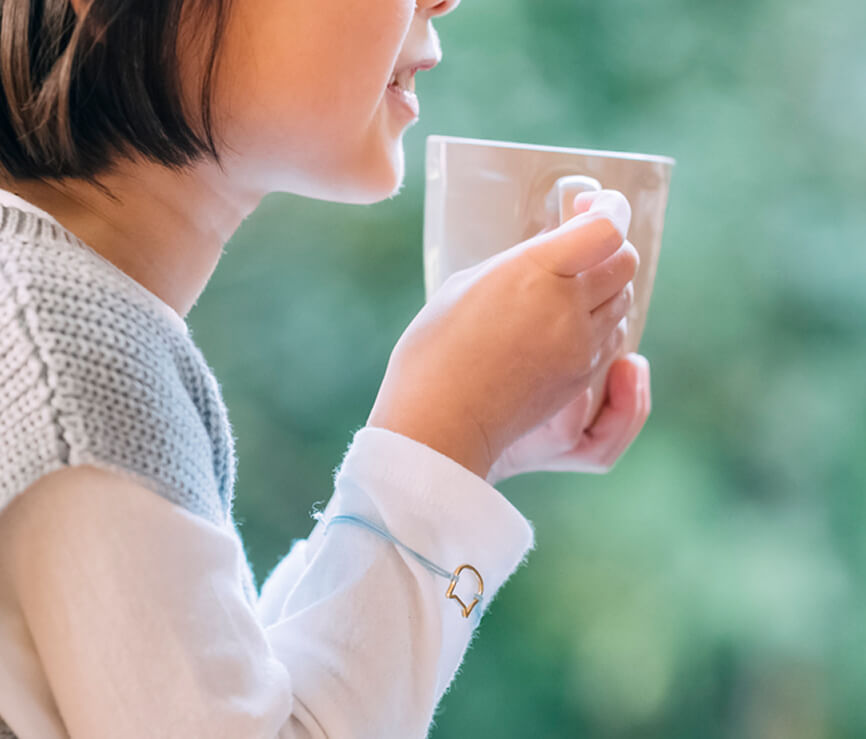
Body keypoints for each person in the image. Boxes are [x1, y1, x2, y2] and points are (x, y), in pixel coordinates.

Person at [0, 0, 651, 736]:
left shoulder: (45, 328)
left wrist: (474, 448)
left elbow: (244, 698)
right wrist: (444, 438)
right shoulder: (63, 354)